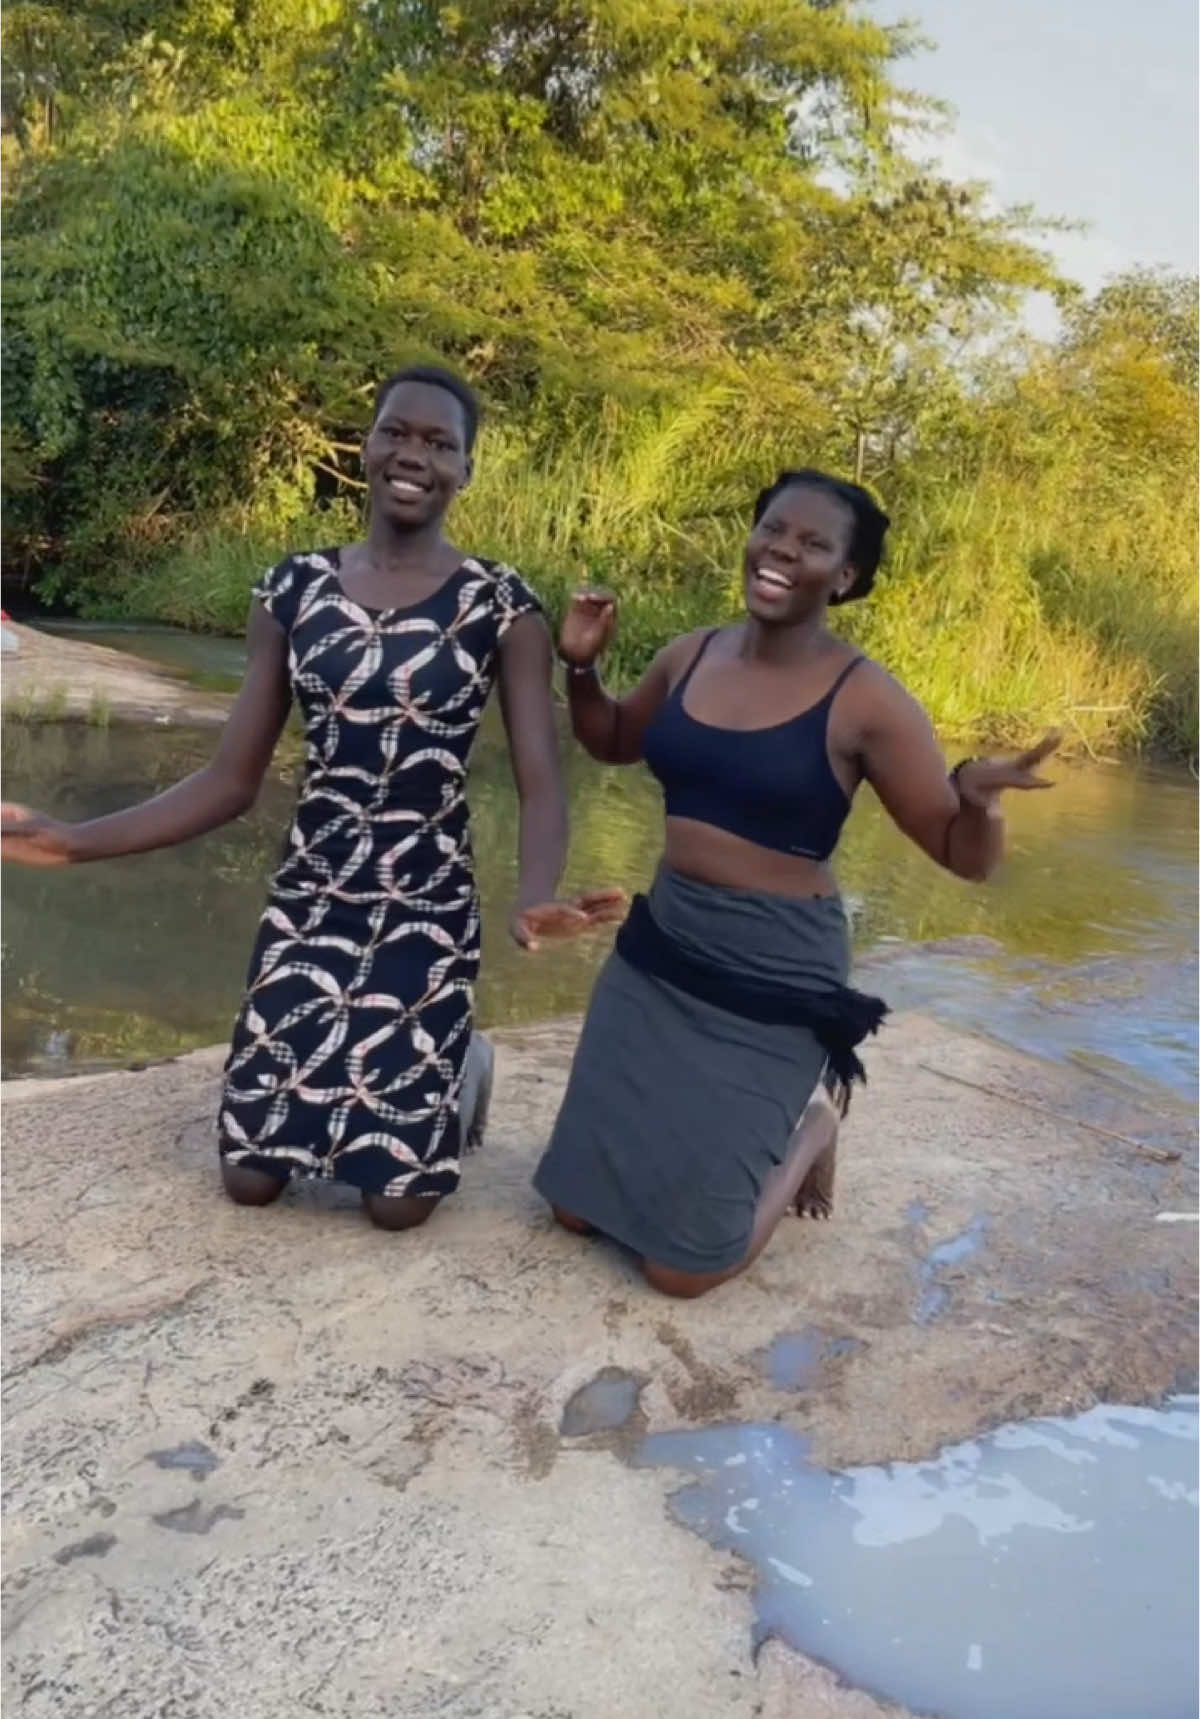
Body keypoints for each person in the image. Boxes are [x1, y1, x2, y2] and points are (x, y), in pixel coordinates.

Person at [2, 364, 619, 1231]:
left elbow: (540, 778)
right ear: (365, 449)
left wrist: (534, 894)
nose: (414, 455)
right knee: (251, 1183)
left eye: (440, 443)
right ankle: (436, 1062)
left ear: (466, 470)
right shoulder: (291, 592)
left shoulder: (500, 604)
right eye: (396, 432)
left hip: (425, 907)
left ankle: (462, 1063)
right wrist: (74, 839)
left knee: (397, 1208)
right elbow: (229, 780)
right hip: (314, 896)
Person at [534, 466, 1059, 1298]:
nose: (782, 551)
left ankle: (811, 1126)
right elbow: (611, 740)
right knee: (571, 1211)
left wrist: (982, 800)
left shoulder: (868, 701)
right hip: (664, 945)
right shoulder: (691, 653)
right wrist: (581, 669)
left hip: (774, 972)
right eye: (773, 529)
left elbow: (963, 856)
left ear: (845, 577)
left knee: (681, 1269)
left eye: (813, 543)